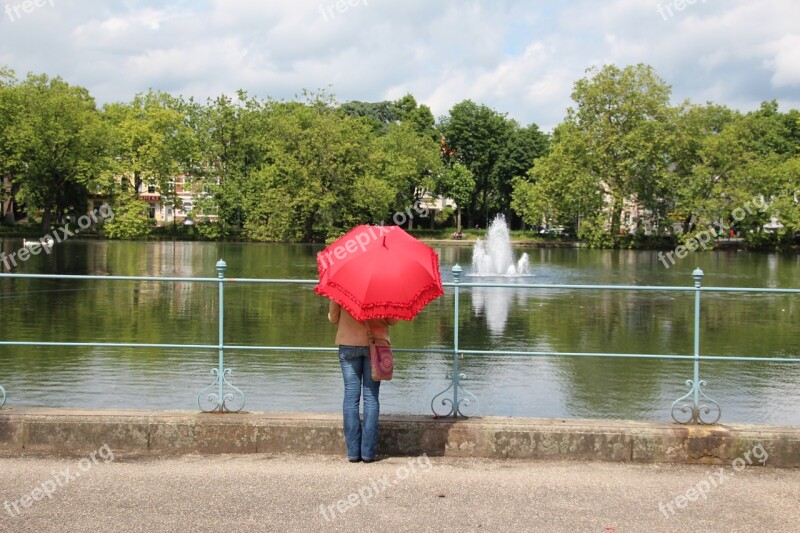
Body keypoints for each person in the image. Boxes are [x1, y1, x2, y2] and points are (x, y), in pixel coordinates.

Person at [328, 300, 398, 463]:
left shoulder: (341, 285)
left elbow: (333, 318)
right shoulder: (385, 287)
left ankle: (353, 453)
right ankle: (368, 453)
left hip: (348, 344)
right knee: (371, 397)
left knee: (351, 397)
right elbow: (392, 321)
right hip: (376, 346)